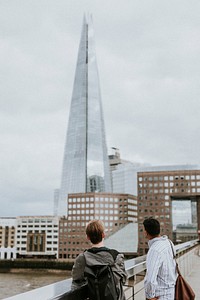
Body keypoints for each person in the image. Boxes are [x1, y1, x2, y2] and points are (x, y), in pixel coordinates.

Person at [71, 219, 127, 300]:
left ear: (88, 237)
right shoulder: (117, 257)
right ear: (103, 235)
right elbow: (123, 280)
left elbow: (76, 279)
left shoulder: (82, 258)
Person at [143, 217, 177, 300]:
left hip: (160, 295)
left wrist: (149, 296)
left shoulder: (154, 249)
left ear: (146, 232)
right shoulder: (169, 242)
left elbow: (150, 278)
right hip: (171, 292)